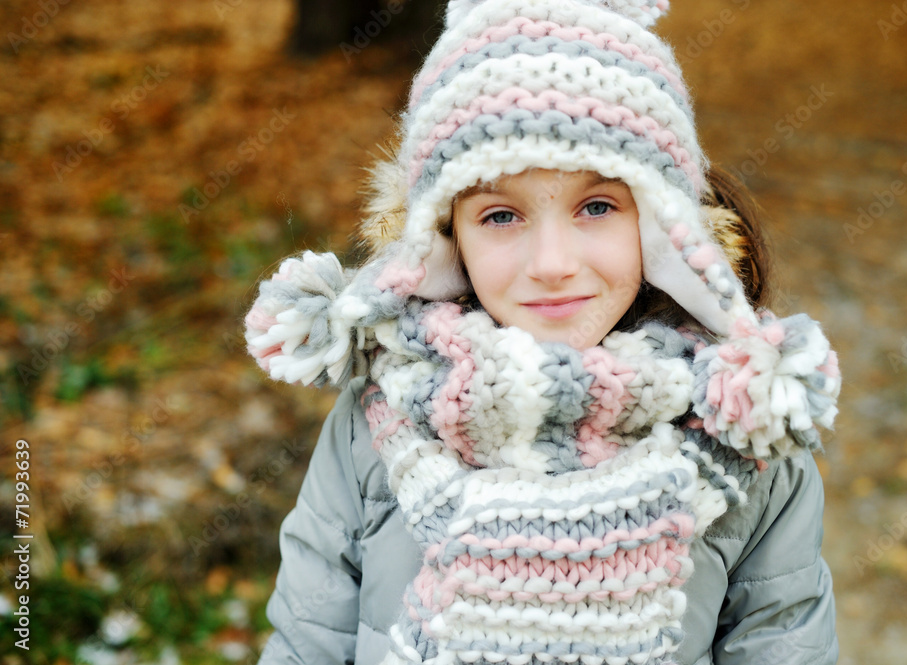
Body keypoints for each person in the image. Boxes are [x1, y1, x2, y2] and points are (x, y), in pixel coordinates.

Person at [244, 1, 842, 663]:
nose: (552, 264)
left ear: (662, 227)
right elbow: (306, 641)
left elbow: (783, 639)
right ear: (444, 240)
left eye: (597, 206)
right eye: (501, 215)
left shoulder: (747, 429)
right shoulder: (372, 426)